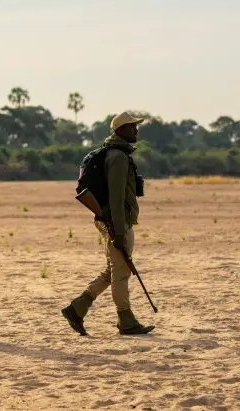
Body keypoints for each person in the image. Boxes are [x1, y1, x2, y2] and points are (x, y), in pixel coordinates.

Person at [62, 112, 155, 336]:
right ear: (120, 130)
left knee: (114, 269)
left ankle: (77, 308)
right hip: (116, 221)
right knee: (121, 272)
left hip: (112, 219)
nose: (136, 130)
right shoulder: (118, 157)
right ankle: (126, 320)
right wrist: (119, 230)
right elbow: (115, 196)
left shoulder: (117, 154)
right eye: (132, 127)